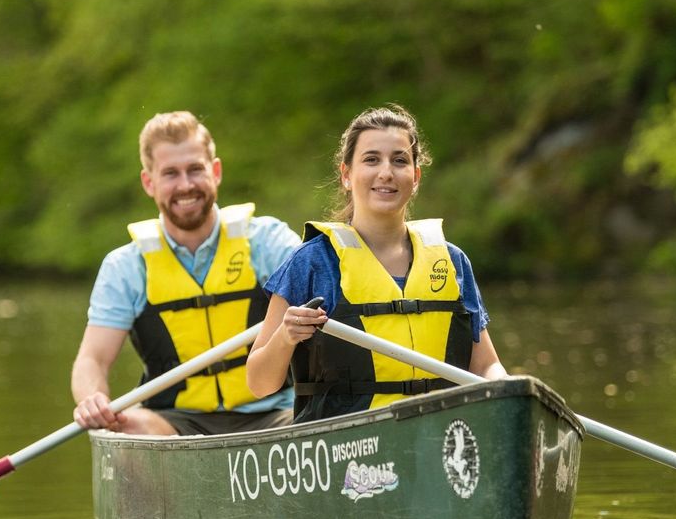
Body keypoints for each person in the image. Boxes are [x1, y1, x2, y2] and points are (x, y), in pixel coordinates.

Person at [246, 104, 505, 422]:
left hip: (442, 437)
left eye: (399, 160)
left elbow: (485, 366)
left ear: (416, 176)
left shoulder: (452, 261)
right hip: (349, 453)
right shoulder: (311, 263)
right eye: (371, 160)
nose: (386, 172)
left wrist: (509, 393)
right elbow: (259, 383)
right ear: (346, 175)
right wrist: (286, 337)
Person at [72, 110, 302, 435]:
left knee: (320, 413)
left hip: (278, 412)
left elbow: (328, 302)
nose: (186, 185)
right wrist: (92, 398)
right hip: (174, 423)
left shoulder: (268, 241)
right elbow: (92, 359)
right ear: (148, 182)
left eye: (195, 169)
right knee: (125, 425)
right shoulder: (125, 266)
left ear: (216, 171)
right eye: (170, 174)